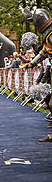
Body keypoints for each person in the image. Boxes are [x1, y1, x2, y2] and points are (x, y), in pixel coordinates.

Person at [23, 8, 52, 142]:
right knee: (49, 100)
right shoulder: (48, 34)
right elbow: (44, 52)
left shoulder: (50, 34)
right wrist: (32, 63)